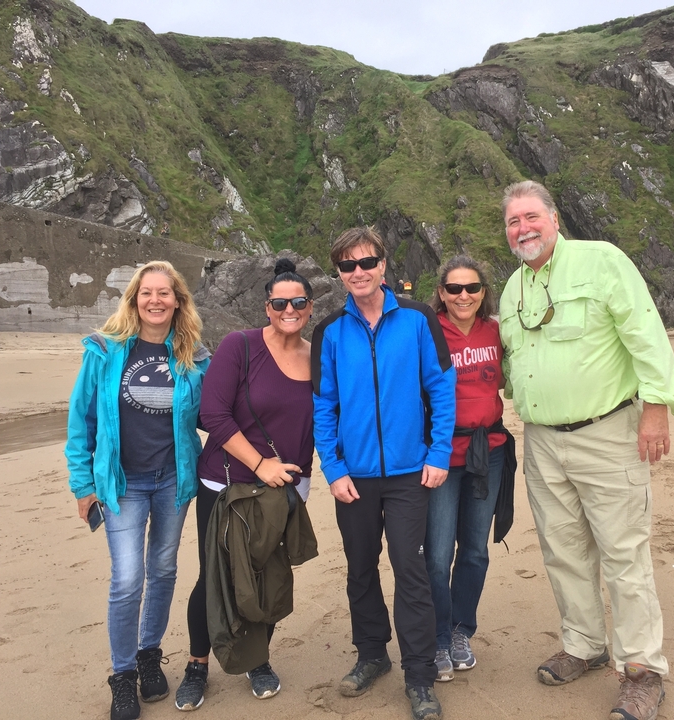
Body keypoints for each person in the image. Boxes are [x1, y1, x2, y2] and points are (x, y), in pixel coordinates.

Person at [498, 180, 674, 720]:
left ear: (554, 218)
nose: (523, 229)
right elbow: (512, 368)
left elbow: (646, 333)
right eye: (513, 222)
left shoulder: (602, 260)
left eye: (531, 217)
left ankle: (642, 669)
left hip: (608, 432)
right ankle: (584, 643)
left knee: (623, 553)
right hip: (540, 441)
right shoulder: (512, 289)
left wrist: (656, 409)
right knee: (563, 550)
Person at [311, 227, 456, 720]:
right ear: (339, 272)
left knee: (410, 569)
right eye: (347, 265)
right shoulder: (329, 331)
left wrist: (438, 454)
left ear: (383, 265)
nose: (358, 272)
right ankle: (372, 654)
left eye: (366, 262)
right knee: (359, 567)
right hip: (353, 476)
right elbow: (323, 406)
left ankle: (419, 675)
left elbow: (441, 387)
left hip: (409, 473)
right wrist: (332, 468)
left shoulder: (417, 320)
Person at [65, 261, 210, 720]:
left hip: (173, 480)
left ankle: (150, 654)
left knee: (164, 570)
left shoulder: (194, 355)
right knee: (128, 579)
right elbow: (80, 422)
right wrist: (82, 484)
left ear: (177, 301)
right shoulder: (105, 352)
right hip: (121, 483)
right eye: (146, 293)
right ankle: (123, 675)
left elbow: (217, 414)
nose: (155, 301)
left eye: (164, 293)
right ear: (133, 299)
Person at [174, 258, 317, 710]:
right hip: (226, 485)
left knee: (268, 576)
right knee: (214, 578)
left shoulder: (318, 357)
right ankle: (198, 664)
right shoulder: (241, 346)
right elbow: (212, 415)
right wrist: (261, 464)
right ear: (267, 306)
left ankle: (257, 659)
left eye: (298, 302)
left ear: (310, 307)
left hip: (287, 488)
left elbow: (326, 421)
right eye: (280, 303)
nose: (289, 309)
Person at [424, 255, 515, 682]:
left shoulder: (497, 331)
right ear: (441, 293)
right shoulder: (428, 330)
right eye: (454, 288)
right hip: (442, 456)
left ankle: (462, 631)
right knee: (438, 554)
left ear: (483, 293)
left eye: (472, 288)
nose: (464, 296)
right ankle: (438, 636)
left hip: (489, 451)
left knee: (475, 550)